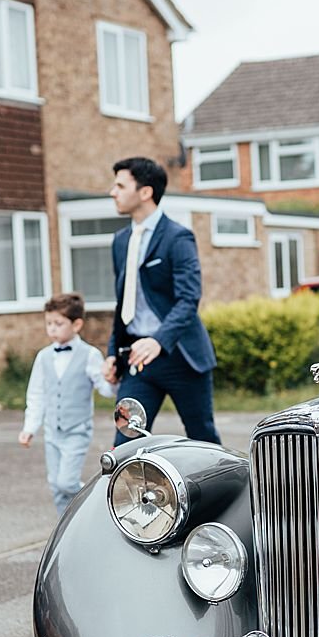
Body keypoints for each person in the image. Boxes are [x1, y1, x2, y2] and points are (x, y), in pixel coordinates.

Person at [101, 156, 220, 446]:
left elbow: (188, 299)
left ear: (145, 192)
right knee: (125, 443)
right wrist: (113, 351)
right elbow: (124, 301)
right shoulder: (120, 240)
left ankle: (229, 492)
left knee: (202, 438)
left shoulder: (178, 238)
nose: (112, 192)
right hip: (137, 359)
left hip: (181, 357)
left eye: (120, 185)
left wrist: (158, 340)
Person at [19, 292, 116, 515]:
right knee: (55, 486)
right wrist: (30, 428)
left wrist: (112, 379)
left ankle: (99, 504)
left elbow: (106, 389)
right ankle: (66, 528)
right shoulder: (43, 357)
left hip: (76, 430)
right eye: (48, 323)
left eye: (58, 323)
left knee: (66, 482)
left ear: (76, 324)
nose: (52, 328)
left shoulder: (90, 355)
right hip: (52, 431)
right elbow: (36, 393)